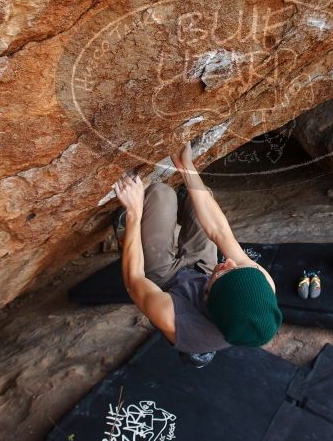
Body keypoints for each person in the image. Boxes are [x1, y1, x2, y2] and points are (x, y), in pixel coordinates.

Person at [112, 143, 282, 367]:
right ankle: (184, 202)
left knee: (160, 195)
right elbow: (219, 231)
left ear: (207, 295)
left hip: (167, 282)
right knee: (201, 197)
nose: (229, 261)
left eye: (223, 272)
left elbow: (133, 281)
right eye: (237, 268)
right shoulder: (259, 285)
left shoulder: (174, 318)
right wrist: (187, 167)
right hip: (201, 271)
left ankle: (129, 224)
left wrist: (134, 213)